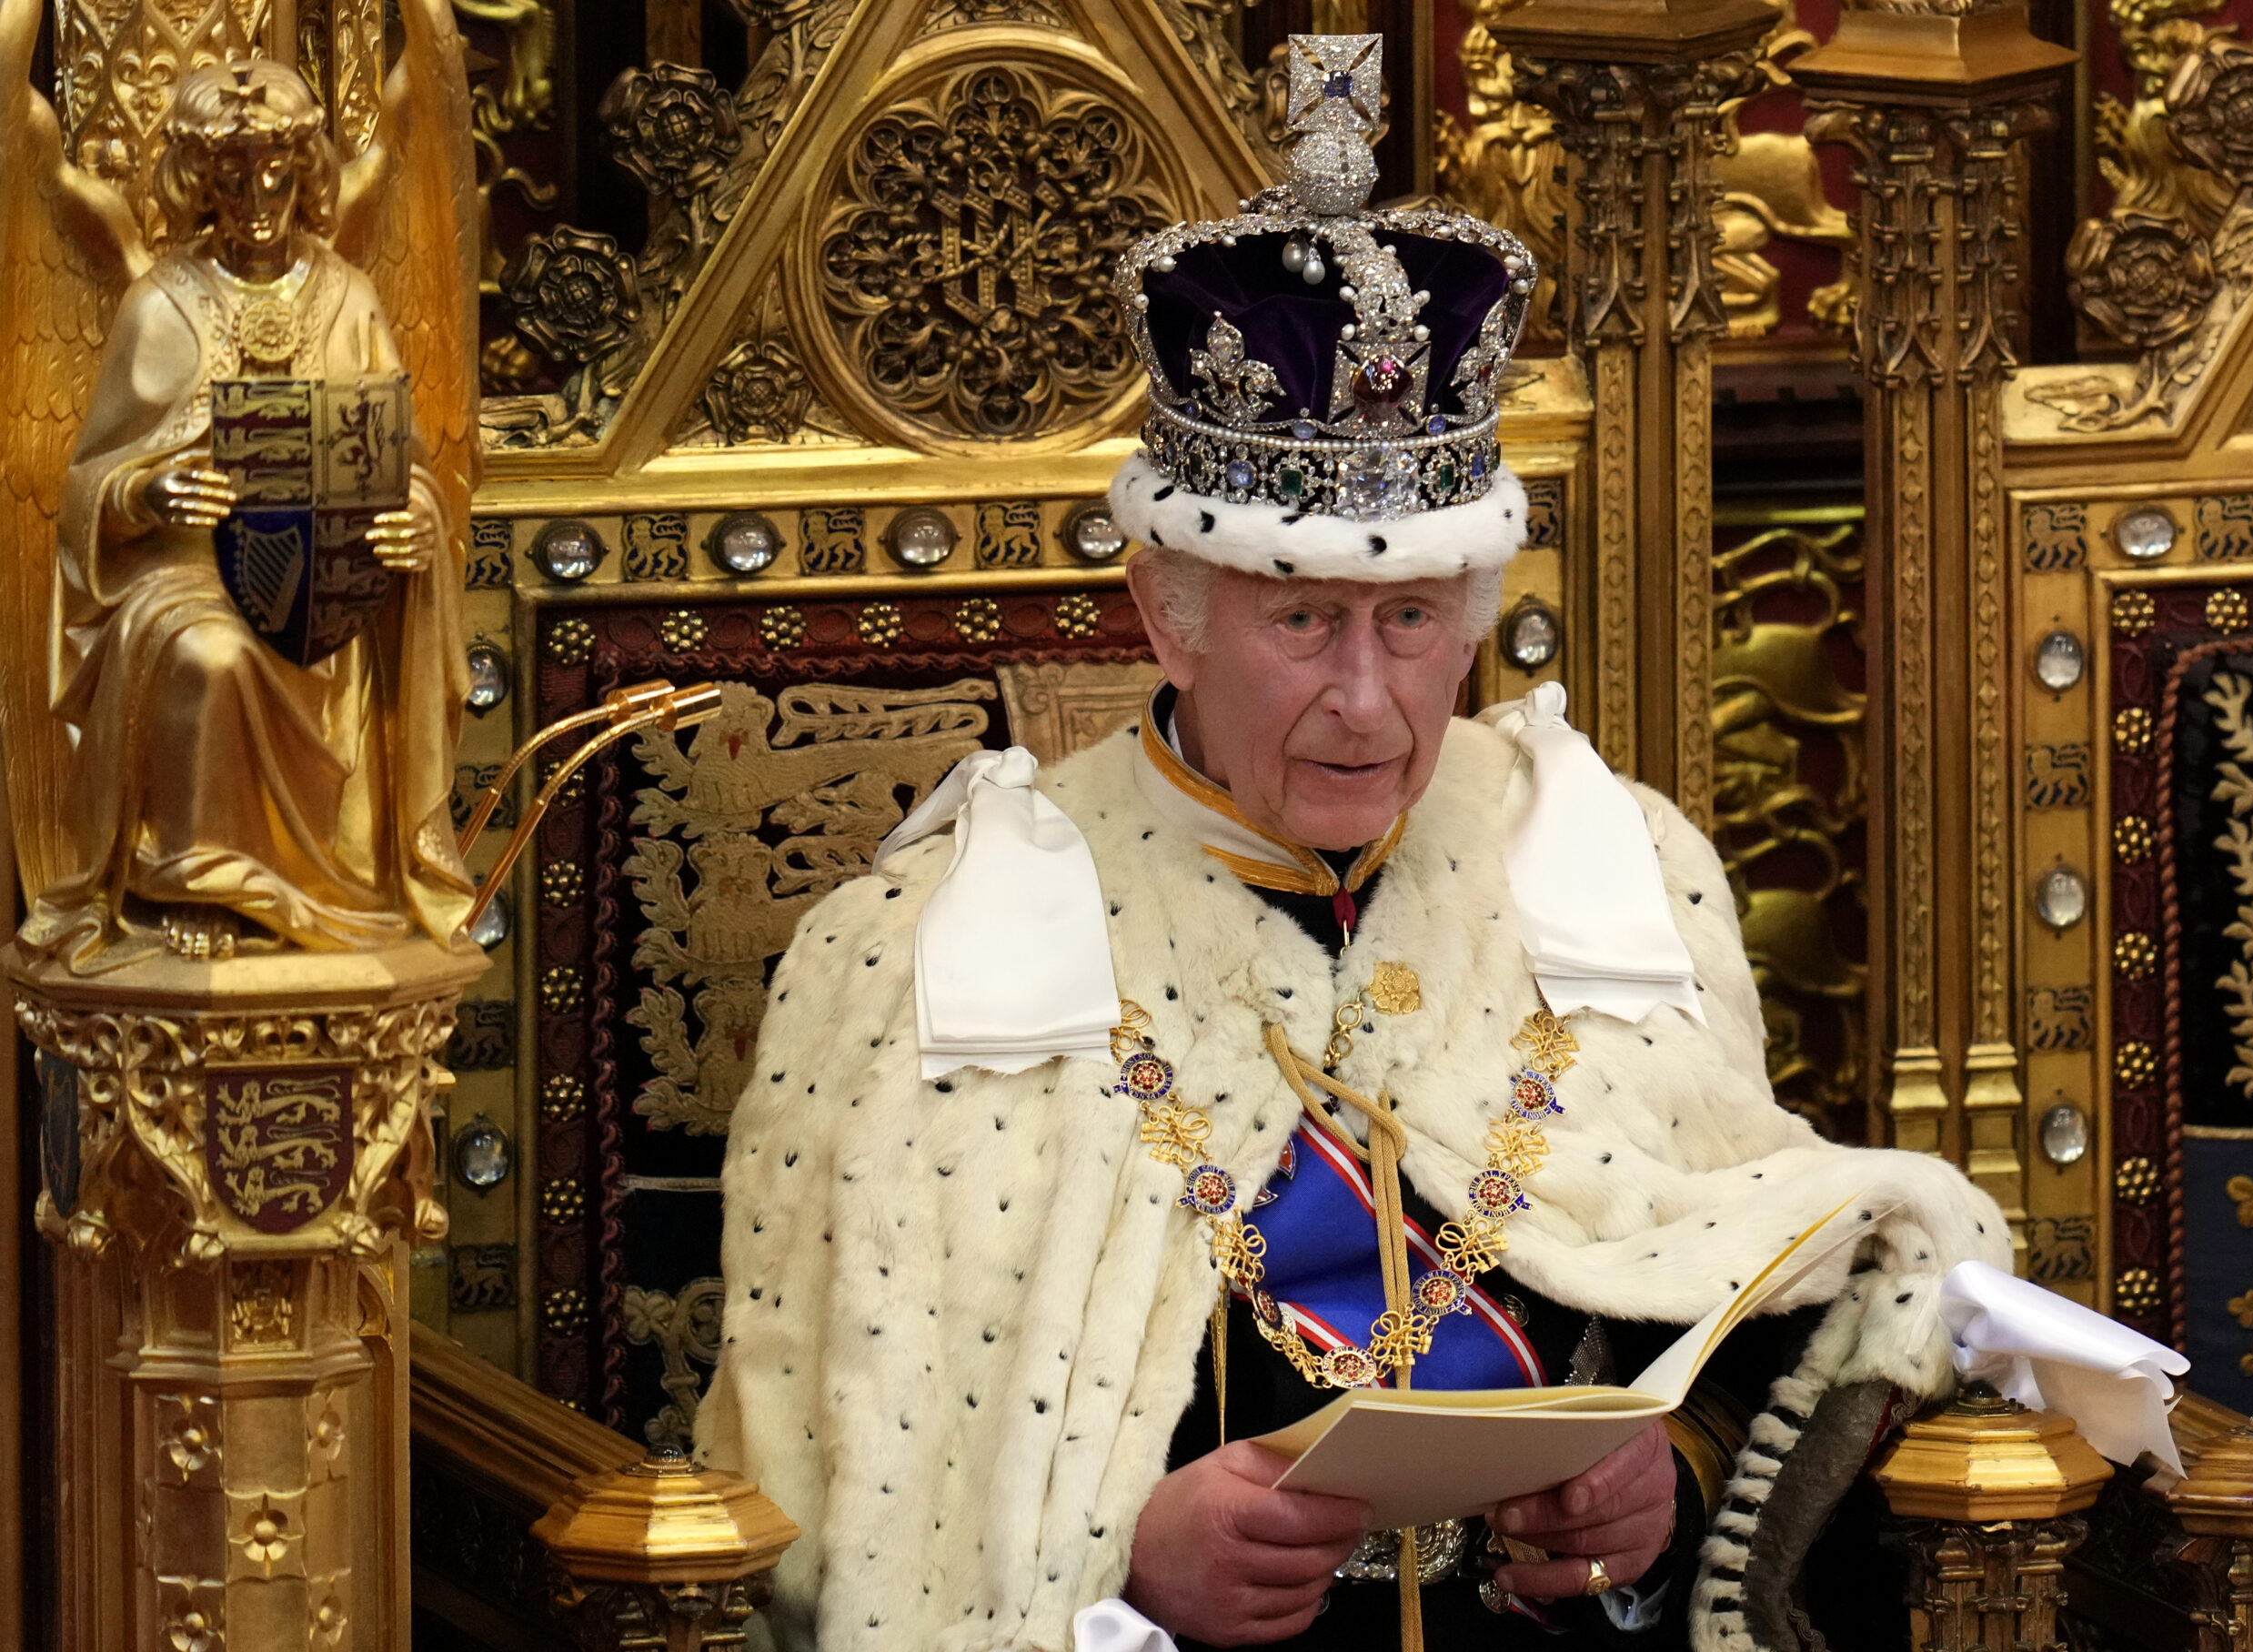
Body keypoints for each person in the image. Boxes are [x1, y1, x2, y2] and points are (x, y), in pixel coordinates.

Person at [696, 35, 2006, 1652]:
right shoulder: (914, 952)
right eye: (1305, 620)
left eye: (1415, 620)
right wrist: (1117, 1558)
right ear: (1167, 613)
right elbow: (837, 1491)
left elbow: (1745, 1288)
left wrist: (1664, 1483)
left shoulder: (1605, 862)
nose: (1370, 702)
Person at [18, 58, 471, 970]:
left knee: (318, 644)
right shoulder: (161, 304)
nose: (257, 199)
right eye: (232, 178)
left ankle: (335, 885)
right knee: (211, 655)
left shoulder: (349, 296)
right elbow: (86, 485)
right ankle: (202, 883)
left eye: (276, 173)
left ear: (306, 173)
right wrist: (144, 493)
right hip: (183, 576)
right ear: (199, 182)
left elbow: (405, 464)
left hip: (326, 577)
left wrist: (417, 519)